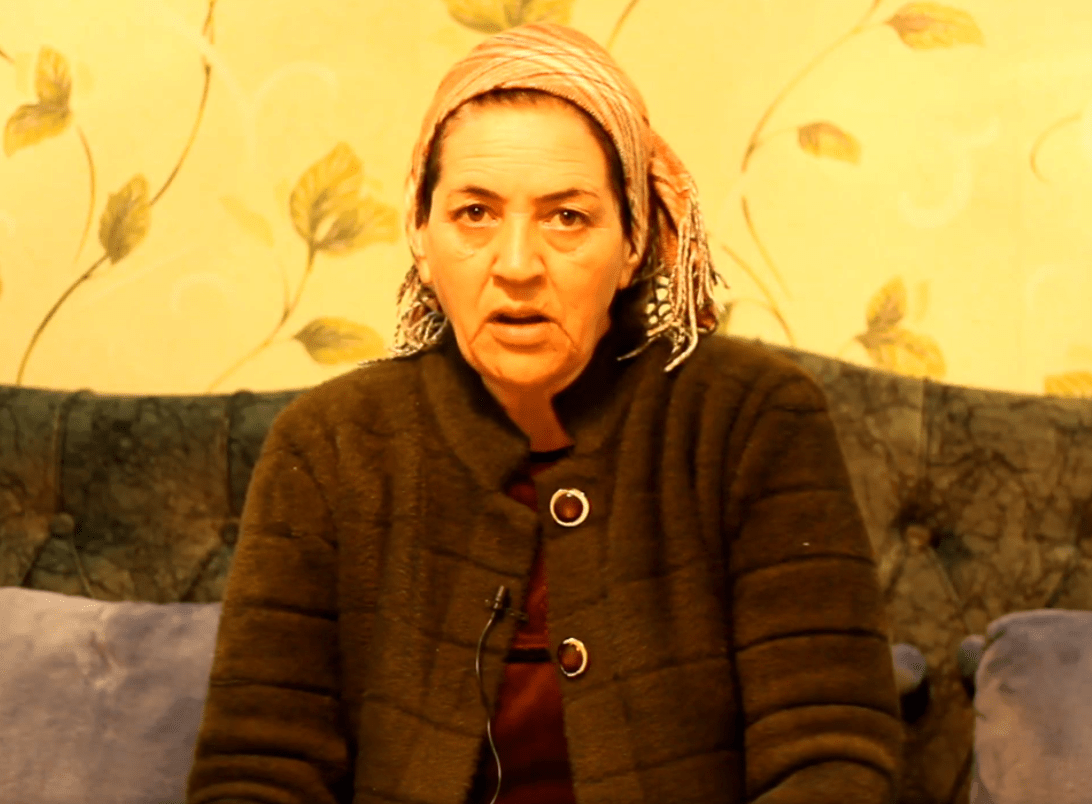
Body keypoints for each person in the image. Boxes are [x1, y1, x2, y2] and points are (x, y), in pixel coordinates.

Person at [186, 22, 904, 804]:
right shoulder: (328, 447)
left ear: (633, 242)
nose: (518, 264)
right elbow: (257, 774)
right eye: (475, 213)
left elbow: (830, 756)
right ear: (420, 237)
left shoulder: (750, 420)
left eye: (568, 218)